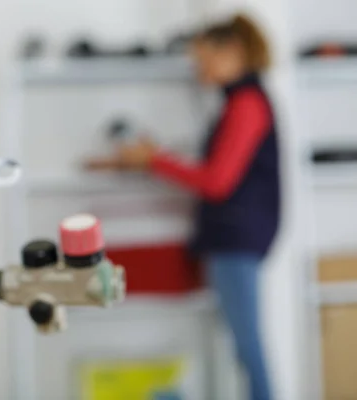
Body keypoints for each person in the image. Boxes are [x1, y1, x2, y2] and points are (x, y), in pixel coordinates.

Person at [87, 13, 279, 400]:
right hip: (234, 239)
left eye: (204, 58)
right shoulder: (239, 103)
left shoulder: (246, 104)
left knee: (248, 348)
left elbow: (216, 181)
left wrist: (152, 159)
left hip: (236, 240)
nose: (198, 68)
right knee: (242, 347)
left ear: (234, 52)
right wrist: (140, 159)